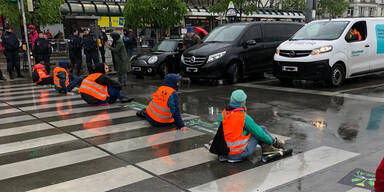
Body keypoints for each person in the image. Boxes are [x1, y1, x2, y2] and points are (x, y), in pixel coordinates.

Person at [210, 90, 284, 163]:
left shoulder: (223, 114)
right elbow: (259, 133)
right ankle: (272, 144)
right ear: (243, 102)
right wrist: (270, 141)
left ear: (231, 100)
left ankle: (272, 144)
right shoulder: (243, 117)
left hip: (224, 152)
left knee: (257, 130)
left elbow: (223, 133)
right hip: (238, 154)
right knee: (260, 130)